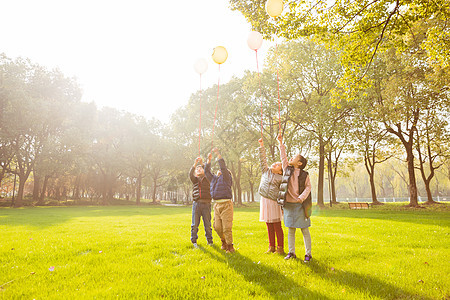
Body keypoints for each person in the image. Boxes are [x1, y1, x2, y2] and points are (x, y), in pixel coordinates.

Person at [277, 133, 313, 262]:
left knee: (304, 230)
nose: (290, 158)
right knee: (291, 230)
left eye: (294, 157)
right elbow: (283, 157)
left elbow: (308, 188)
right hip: (288, 205)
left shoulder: (304, 174)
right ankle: (291, 252)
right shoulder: (287, 169)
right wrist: (281, 143)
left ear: (299, 163)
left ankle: (308, 254)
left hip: (300, 205)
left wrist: (301, 198)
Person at [205, 147, 235, 253]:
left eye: (222, 171)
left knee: (227, 227)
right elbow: (207, 172)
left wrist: (217, 154)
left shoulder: (227, 178)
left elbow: (223, 167)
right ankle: (223, 241)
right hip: (217, 205)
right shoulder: (213, 179)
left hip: (226, 204)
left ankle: (230, 246)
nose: (219, 171)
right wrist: (208, 160)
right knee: (217, 227)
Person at [257, 138, 285, 254]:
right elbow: (262, 160)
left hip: (274, 202)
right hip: (264, 201)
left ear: (280, 171)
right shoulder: (266, 171)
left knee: (277, 225)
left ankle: (280, 248)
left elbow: (283, 192)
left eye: (278, 164)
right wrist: (261, 146)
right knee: (269, 225)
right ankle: (271, 246)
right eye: (275, 163)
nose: (275, 164)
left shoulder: (281, 178)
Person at [189, 156, 213, 248]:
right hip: (196, 204)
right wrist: (195, 164)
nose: (199, 169)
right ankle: (194, 241)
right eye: (197, 169)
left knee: (207, 224)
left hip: (206, 204)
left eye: (201, 168)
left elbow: (208, 171)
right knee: (195, 224)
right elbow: (190, 174)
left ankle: (210, 241)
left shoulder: (208, 178)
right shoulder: (195, 180)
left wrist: (203, 163)